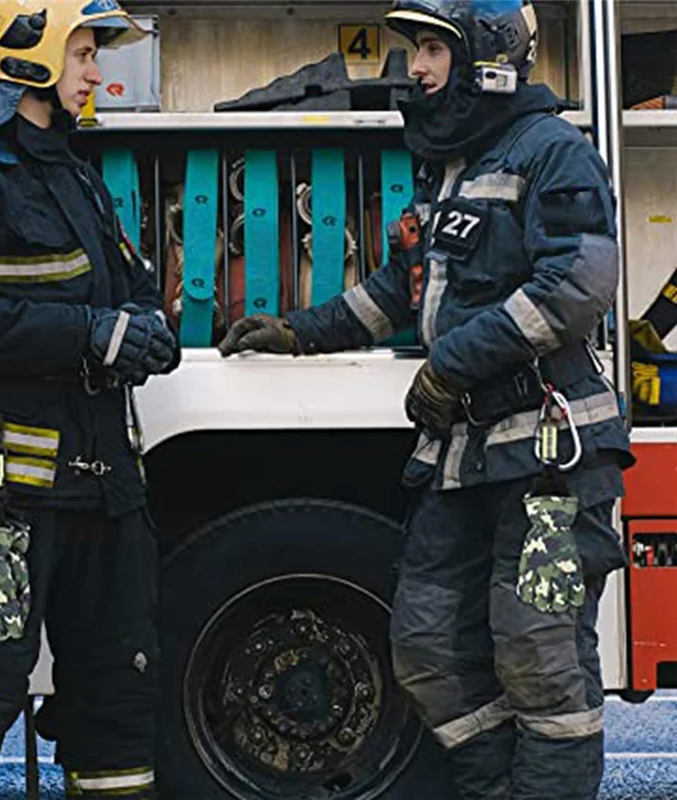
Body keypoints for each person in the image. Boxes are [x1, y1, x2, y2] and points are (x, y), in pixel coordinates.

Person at [218, 0, 634, 796]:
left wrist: (451, 367)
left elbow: (576, 287)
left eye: (433, 49)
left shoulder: (553, 153)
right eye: (417, 50)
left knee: (538, 658)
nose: (416, 67)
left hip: (549, 462)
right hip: (463, 460)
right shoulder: (450, 168)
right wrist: (297, 333)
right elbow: (397, 291)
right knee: (426, 647)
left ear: (489, 54)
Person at [0, 1, 178, 797]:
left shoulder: (76, 175)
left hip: (105, 495)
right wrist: (89, 335)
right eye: (83, 53)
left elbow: (133, 292)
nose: (97, 72)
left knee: (118, 694)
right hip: (3, 502)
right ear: (28, 56)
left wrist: (144, 329)